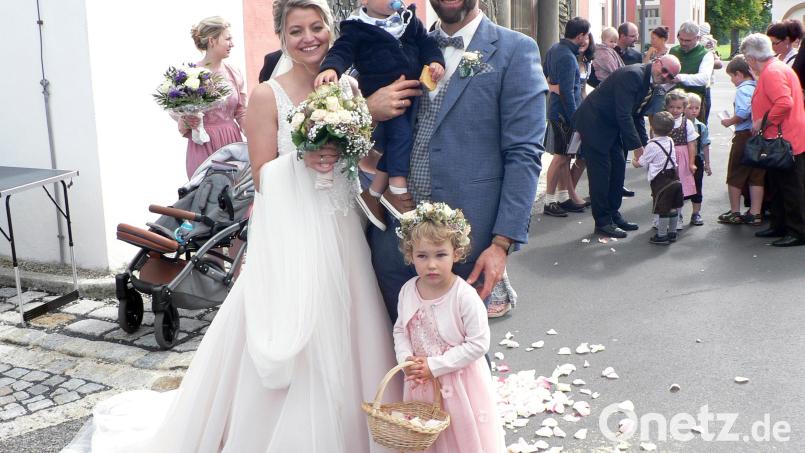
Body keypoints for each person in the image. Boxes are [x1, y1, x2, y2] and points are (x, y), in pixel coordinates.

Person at [62, 1, 400, 452]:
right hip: (295, 232)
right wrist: (304, 157)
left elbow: (360, 158)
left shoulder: (350, 88)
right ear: (282, 37)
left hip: (342, 228)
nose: (309, 38)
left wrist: (377, 146)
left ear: (332, 30)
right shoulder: (268, 95)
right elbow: (261, 174)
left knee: (351, 327)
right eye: (296, 30)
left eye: (317, 27)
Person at [364, 0, 546, 321]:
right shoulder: (407, 44)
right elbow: (375, 134)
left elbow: (524, 153)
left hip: (465, 242)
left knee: (463, 355)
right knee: (398, 346)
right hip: (395, 234)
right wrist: (368, 108)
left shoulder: (514, 50)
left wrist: (502, 243)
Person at [316, 0, 445, 229]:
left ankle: (374, 193)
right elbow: (342, 50)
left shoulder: (408, 20)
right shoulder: (357, 27)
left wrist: (435, 61)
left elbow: (426, 44)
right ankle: (397, 189)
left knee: (405, 142)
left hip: (412, 94)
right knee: (400, 137)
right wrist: (331, 68)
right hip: (382, 94)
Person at [393, 201, 505, 453]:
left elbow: (478, 344)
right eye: (422, 256)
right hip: (421, 381)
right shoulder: (408, 291)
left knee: (461, 437)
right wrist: (405, 359)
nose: (431, 264)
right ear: (411, 256)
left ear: (456, 253)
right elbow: (400, 329)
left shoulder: (464, 296)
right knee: (429, 439)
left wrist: (435, 366)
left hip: (459, 385)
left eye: (440, 255)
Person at [573, 54, 680, 238]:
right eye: (664, 71)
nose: (665, 76)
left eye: (670, 76)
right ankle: (603, 222)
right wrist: (638, 148)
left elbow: (637, 116)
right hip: (594, 123)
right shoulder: (633, 75)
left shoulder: (651, 84)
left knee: (618, 168)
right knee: (601, 174)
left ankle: (613, 214)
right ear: (656, 62)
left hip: (611, 125)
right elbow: (624, 115)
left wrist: (646, 146)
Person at [740, 34, 805, 247]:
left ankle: (797, 231)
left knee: (791, 187)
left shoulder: (772, 72)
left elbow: (784, 103)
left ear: (751, 58)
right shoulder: (775, 68)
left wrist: (763, 122)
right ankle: (780, 225)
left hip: (786, 139)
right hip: (785, 138)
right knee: (778, 185)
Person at [177, 16, 248, 179]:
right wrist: (187, 120)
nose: (232, 44)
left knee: (236, 197)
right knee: (205, 196)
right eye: (228, 38)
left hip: (232, 143)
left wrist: (255, 136)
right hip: (203, 144)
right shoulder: (190, 74)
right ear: (212, 40)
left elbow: (241, 111)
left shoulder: (234, 72)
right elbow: (180, 112)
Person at [543, 17, 590, 217]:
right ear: (580, 36)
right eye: (586, 35)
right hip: (563, 114)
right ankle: (549, 201)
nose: (587, 39)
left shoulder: (555, 49)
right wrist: (575, 118)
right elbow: (567, 92)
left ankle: (562, 197)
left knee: (565, 157)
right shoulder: (567, 56)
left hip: (559, 111)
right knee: (560, 158)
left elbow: (545, 74)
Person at [718, 55, 764, 226]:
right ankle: (755, 212)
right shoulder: (758, 87)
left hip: (744, 136)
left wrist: (729, 121)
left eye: (731, 76)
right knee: (756, 175)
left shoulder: (743, 90)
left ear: (739, 74)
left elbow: (743, 112)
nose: (731, 80)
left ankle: (735, 211)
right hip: (759, 136)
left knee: (735, 173)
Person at [633, 111, 683, 245]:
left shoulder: (652, 145)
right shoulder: (671, 141)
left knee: (663, 208)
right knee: (673, 207)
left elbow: (641, 163)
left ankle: (661, 235)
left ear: (652, 128)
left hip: (661, 180)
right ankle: (672, 233)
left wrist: (634, 160)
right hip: (674, 177)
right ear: (671, 129)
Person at [663, 89, 698, 229]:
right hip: (665, 158)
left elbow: (691, 143)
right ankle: (661, 216)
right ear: (666, 107)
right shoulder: (662, 121)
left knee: (679, 190)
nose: (675, 110)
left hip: (681, 159)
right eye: (671, 107)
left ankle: (677, 217)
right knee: (664, 188)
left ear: (684, 108)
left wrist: (691, 162)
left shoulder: (687, 123)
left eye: (679, 107)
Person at [669, 22, 713, 124]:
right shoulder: (673, 51)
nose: (683, 43)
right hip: (675, 101)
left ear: (698, 38)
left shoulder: (706, 54)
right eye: (681, 39)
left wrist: (681, 78)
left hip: (695, 102)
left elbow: (704, 78)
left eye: (688, 40)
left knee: (697, 132)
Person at [685, 93, 712, 226]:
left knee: (697, 187)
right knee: (680, 188)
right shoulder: (678, 125)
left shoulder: (701, 126)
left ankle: (696, 213)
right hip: (682, 161)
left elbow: (705, 146)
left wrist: (707, 163)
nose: (694, 110)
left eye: (697, 107)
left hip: (697, 161)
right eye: (690, 107)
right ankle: (676, 215)